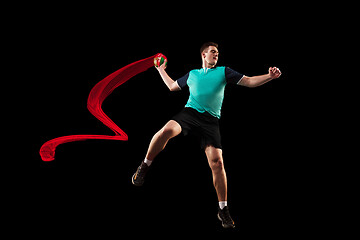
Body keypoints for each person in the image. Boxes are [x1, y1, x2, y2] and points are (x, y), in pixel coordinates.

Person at [132, 42, 282, 228]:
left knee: (217, 163)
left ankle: (223, 210)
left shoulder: (224, 72)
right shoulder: (192, 74)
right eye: (212, 52)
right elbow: (172, 86)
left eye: (217, 52)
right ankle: (144, 166)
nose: (216, 54)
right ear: (203, 55)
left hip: (210, 121)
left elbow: (250, 81)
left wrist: (270, 76)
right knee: (166, 131)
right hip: (190, 113)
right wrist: (160, 69)